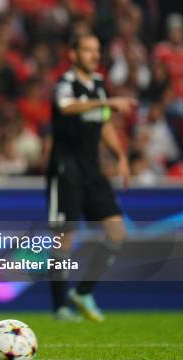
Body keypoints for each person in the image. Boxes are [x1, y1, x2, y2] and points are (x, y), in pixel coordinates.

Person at [47, 33, 135, 322]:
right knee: (64, 240)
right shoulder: (66, 84)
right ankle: (60, 307)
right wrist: (106, 102)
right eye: (88, 50)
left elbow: (105, 123)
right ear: (73, 54)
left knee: (117, 232)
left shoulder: (98, 84)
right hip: (66, 170)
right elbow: (66, 107)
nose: (94, 55)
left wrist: (120, 156)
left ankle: (83, 292)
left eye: (97, 50)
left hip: (92, 170)